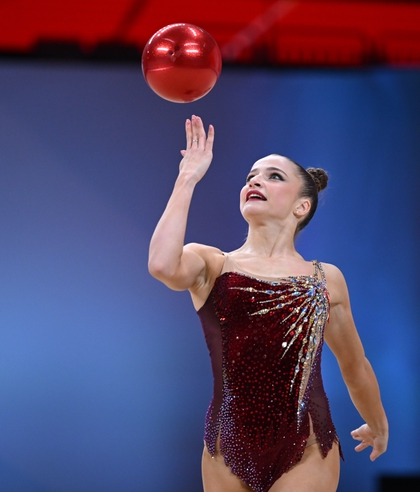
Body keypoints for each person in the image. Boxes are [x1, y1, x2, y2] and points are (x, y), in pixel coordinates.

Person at [148, 115, 388, 492]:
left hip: (308, 443)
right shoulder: (212, 263)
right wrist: (187, 178)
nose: (255, 181)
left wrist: (378, 425)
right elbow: (162, 265)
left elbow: (354, 364)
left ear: (301, 207)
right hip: (227, 447)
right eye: (250, 177)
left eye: (274, 176)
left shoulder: (325, 279)